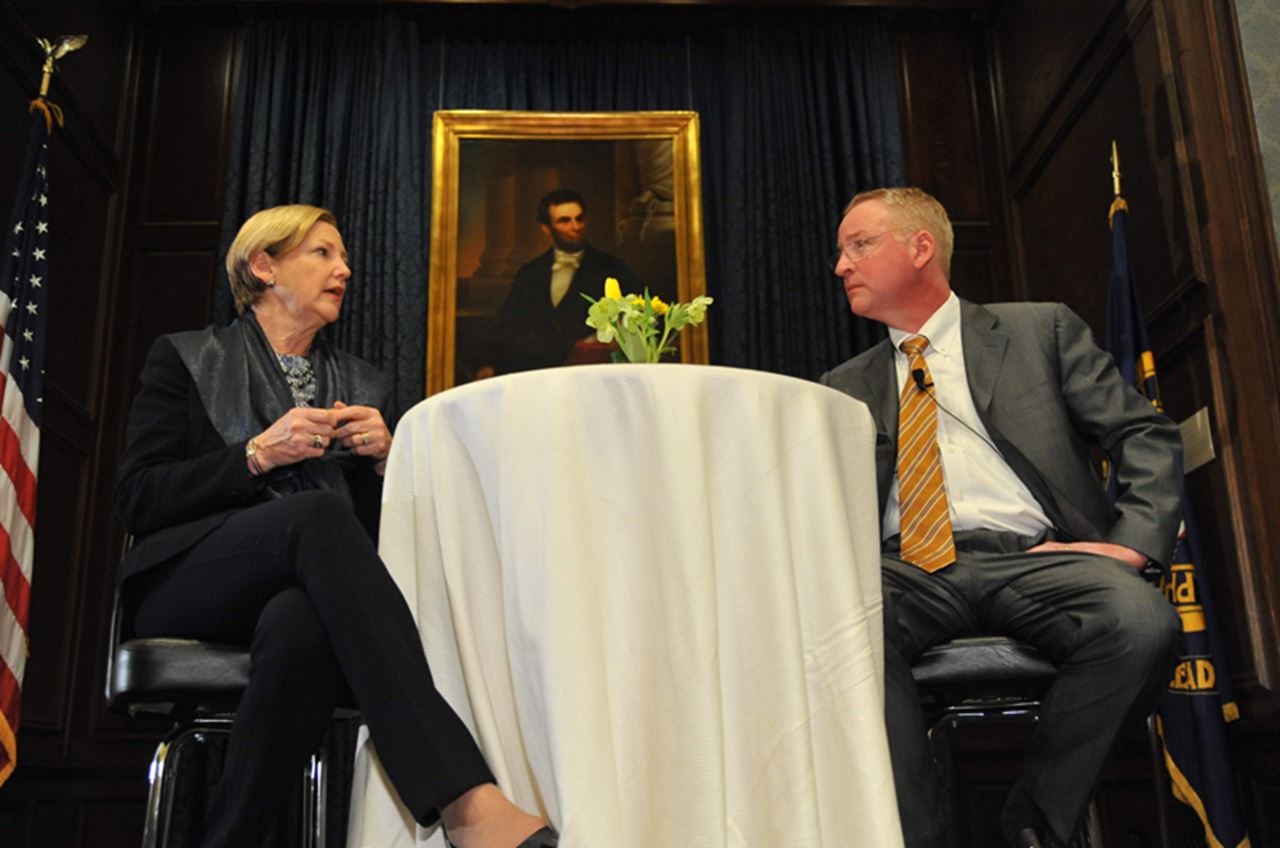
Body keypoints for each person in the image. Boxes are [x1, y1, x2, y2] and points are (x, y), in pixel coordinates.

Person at [115, 205, 557, 848]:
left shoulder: (363, 384)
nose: (344, 269)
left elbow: (374, 554)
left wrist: (386, 465)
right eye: (322, 253)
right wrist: (255, 455)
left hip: (304, 596)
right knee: (315, 515)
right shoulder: (185, 359)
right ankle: (466, 800)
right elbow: (138, 499)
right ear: (264, 266)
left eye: (344, 257)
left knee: (303, 621)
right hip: (190, 583)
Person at [818, 187, 1182, 848]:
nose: (841, 265)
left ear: (920, 246)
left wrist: (1130, 548)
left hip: (1036, 558)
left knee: (1140, 621)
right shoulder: (843, 386)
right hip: (905, 570)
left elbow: (1146, 437)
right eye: (842, 251)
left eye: (859, 245)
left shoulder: (1038, 330)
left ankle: (1032, 828)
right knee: (840, 623)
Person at [486, 188, 640, 374]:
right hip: (535, 375)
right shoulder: (530, 272)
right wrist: (490, 365)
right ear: (546, 228)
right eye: (564, 221)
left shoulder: (612, 268)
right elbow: (508, 326)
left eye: (579, 218)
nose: (575, 226)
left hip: (589, 375)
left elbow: (638, 317)